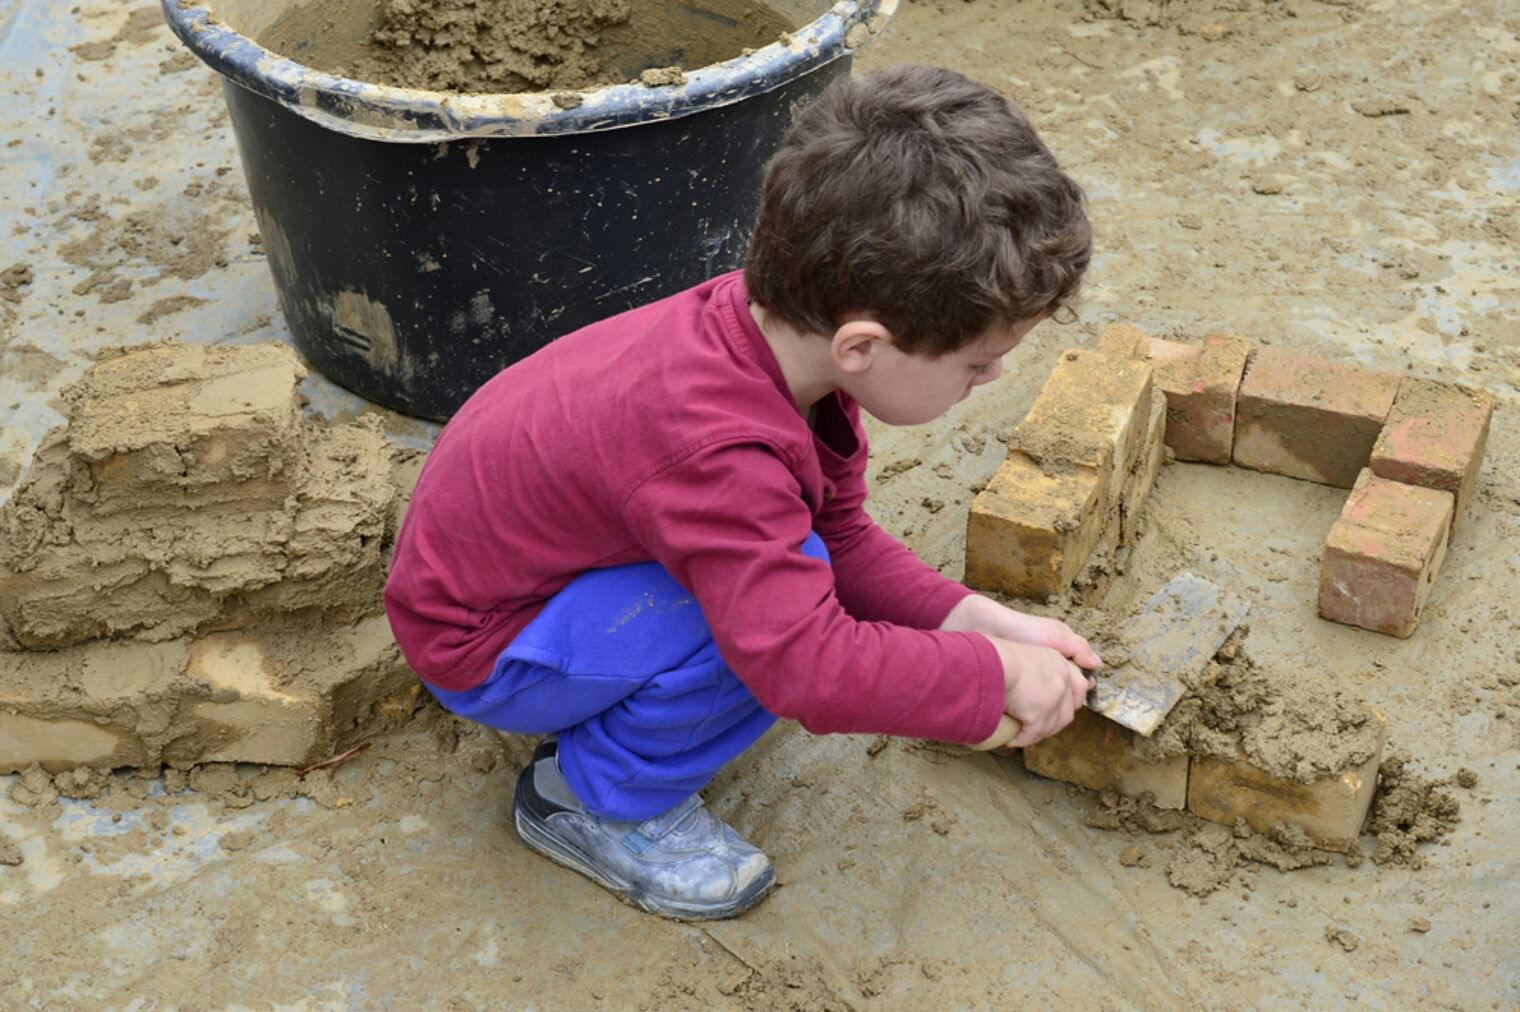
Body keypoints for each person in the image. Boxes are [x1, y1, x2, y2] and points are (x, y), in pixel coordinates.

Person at [383, 64, 1101, 921]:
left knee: (786, 573)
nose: (990, 378)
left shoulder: (782, 336)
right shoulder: (714, 446)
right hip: (483, 641)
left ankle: (622, 707)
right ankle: (590, 801)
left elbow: (834, 533)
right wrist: (985, 683)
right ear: (863, 348)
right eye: (978, 363)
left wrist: (969, 620)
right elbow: (805, 667)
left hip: (542, 575)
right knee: (753, 632)